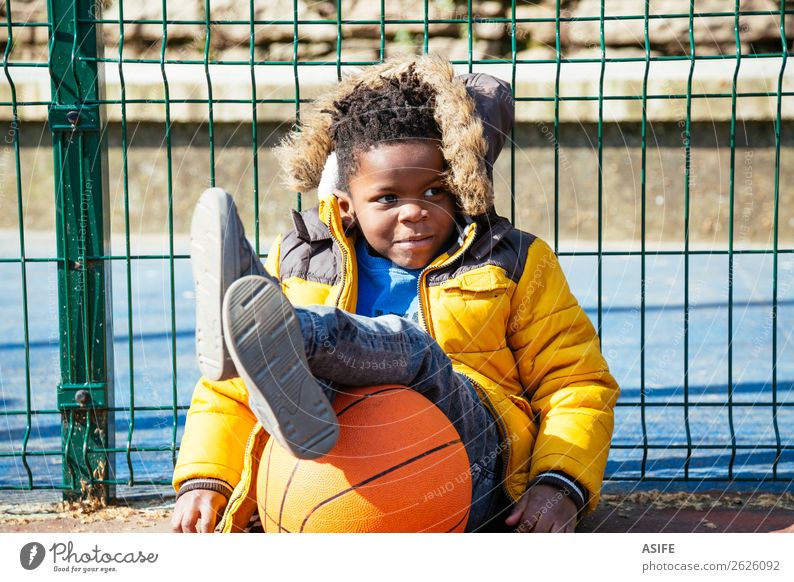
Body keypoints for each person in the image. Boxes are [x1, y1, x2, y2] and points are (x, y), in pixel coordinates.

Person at [171, 54, 619, 534]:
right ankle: (293, 348)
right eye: (388, 198)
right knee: (272, 371)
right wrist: (207, 481)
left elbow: (574, 383)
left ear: (462, 190)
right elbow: (230, 391)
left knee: (414, 349)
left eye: (434, 192)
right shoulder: (302, 260)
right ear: (345, 205)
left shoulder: (510, 262)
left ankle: (298, 335)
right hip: (336, 484)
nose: (414, 212)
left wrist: (560, 483)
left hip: (471, 467)